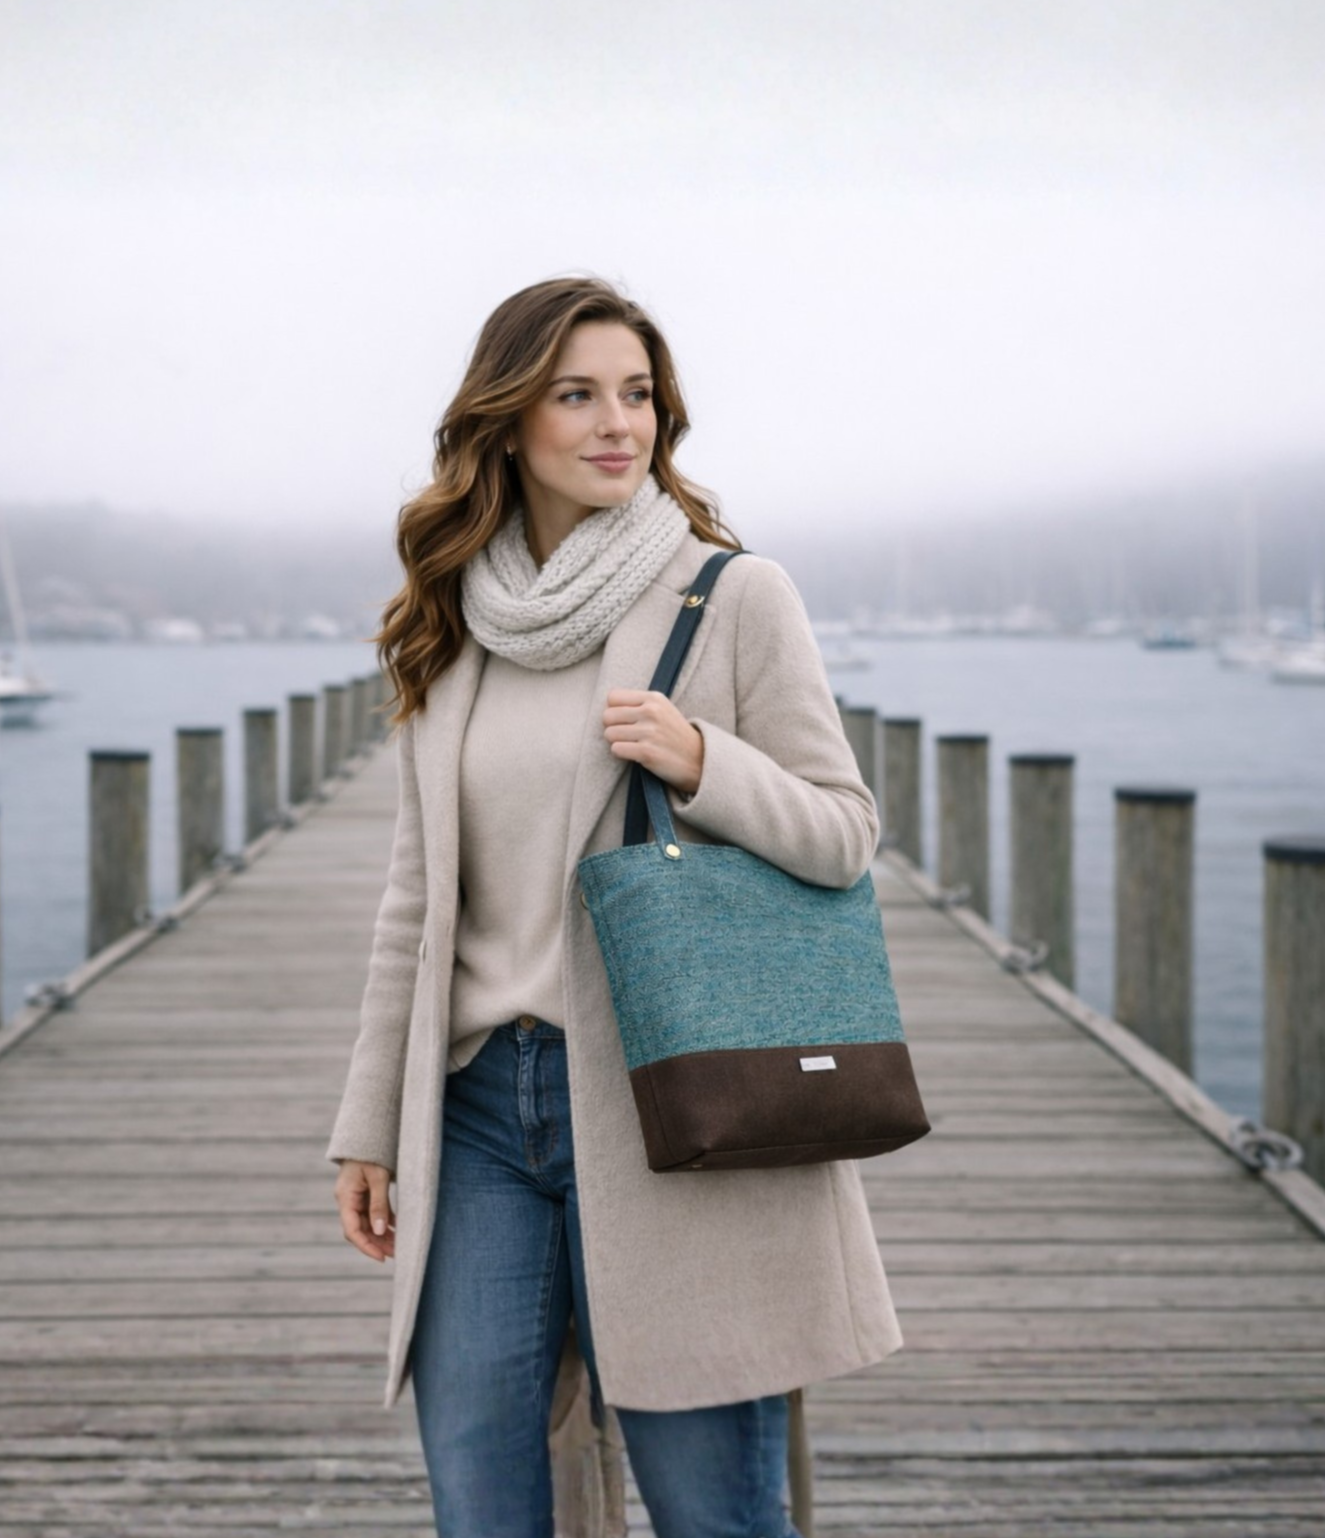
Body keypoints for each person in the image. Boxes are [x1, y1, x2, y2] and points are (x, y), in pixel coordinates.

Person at [327, 275, 900, 1537]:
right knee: (482, 1502)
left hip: (668, 1104)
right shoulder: (455, 618)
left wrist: (704, 763)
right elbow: (416, 901)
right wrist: (369, 1121)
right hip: (480, 1111)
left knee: (713, 1512)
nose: (616, 424)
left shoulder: (733, 595)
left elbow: (846, 835)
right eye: (577, 395)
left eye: (636, 394)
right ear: (506, 421)